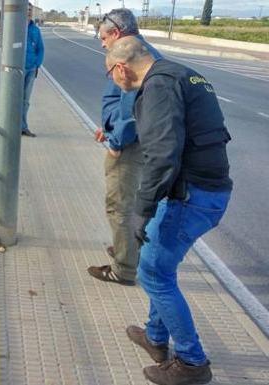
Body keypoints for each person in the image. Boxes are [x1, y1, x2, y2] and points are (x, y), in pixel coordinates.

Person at [106, 36, 232, 385]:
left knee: (153, 274)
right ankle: (156, 338)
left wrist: (142, 210)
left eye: (110, 74)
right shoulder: (181, 74)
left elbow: (162, 155)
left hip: (191, 196)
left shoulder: (158, 88)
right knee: (158, 265)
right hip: (206, 190)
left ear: (120, 68)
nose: (112, 81)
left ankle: (193, 362)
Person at [87, 8, 162, 286]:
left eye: (103, 37)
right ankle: (127, 250)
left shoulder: (130, 57)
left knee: (120, 206)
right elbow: (123, 105)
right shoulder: (142, 51)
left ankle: (124, 268)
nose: (102, 42)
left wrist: (116, 141)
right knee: (131, 204)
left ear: (116, 33)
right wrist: (107, 127)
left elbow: (132, 110)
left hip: (130, 146)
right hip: (135, 140)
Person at [21, 2, 44, 138]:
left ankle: (23, 127)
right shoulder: (15, 27)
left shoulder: (35, 29)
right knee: (13, 99)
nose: (29, 12)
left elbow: (40, 49)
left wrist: (37, 64)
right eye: (26, 10)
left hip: (31, 69)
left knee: (25, 100)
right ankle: (12, 126)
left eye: (30, 10)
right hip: (16, 70)